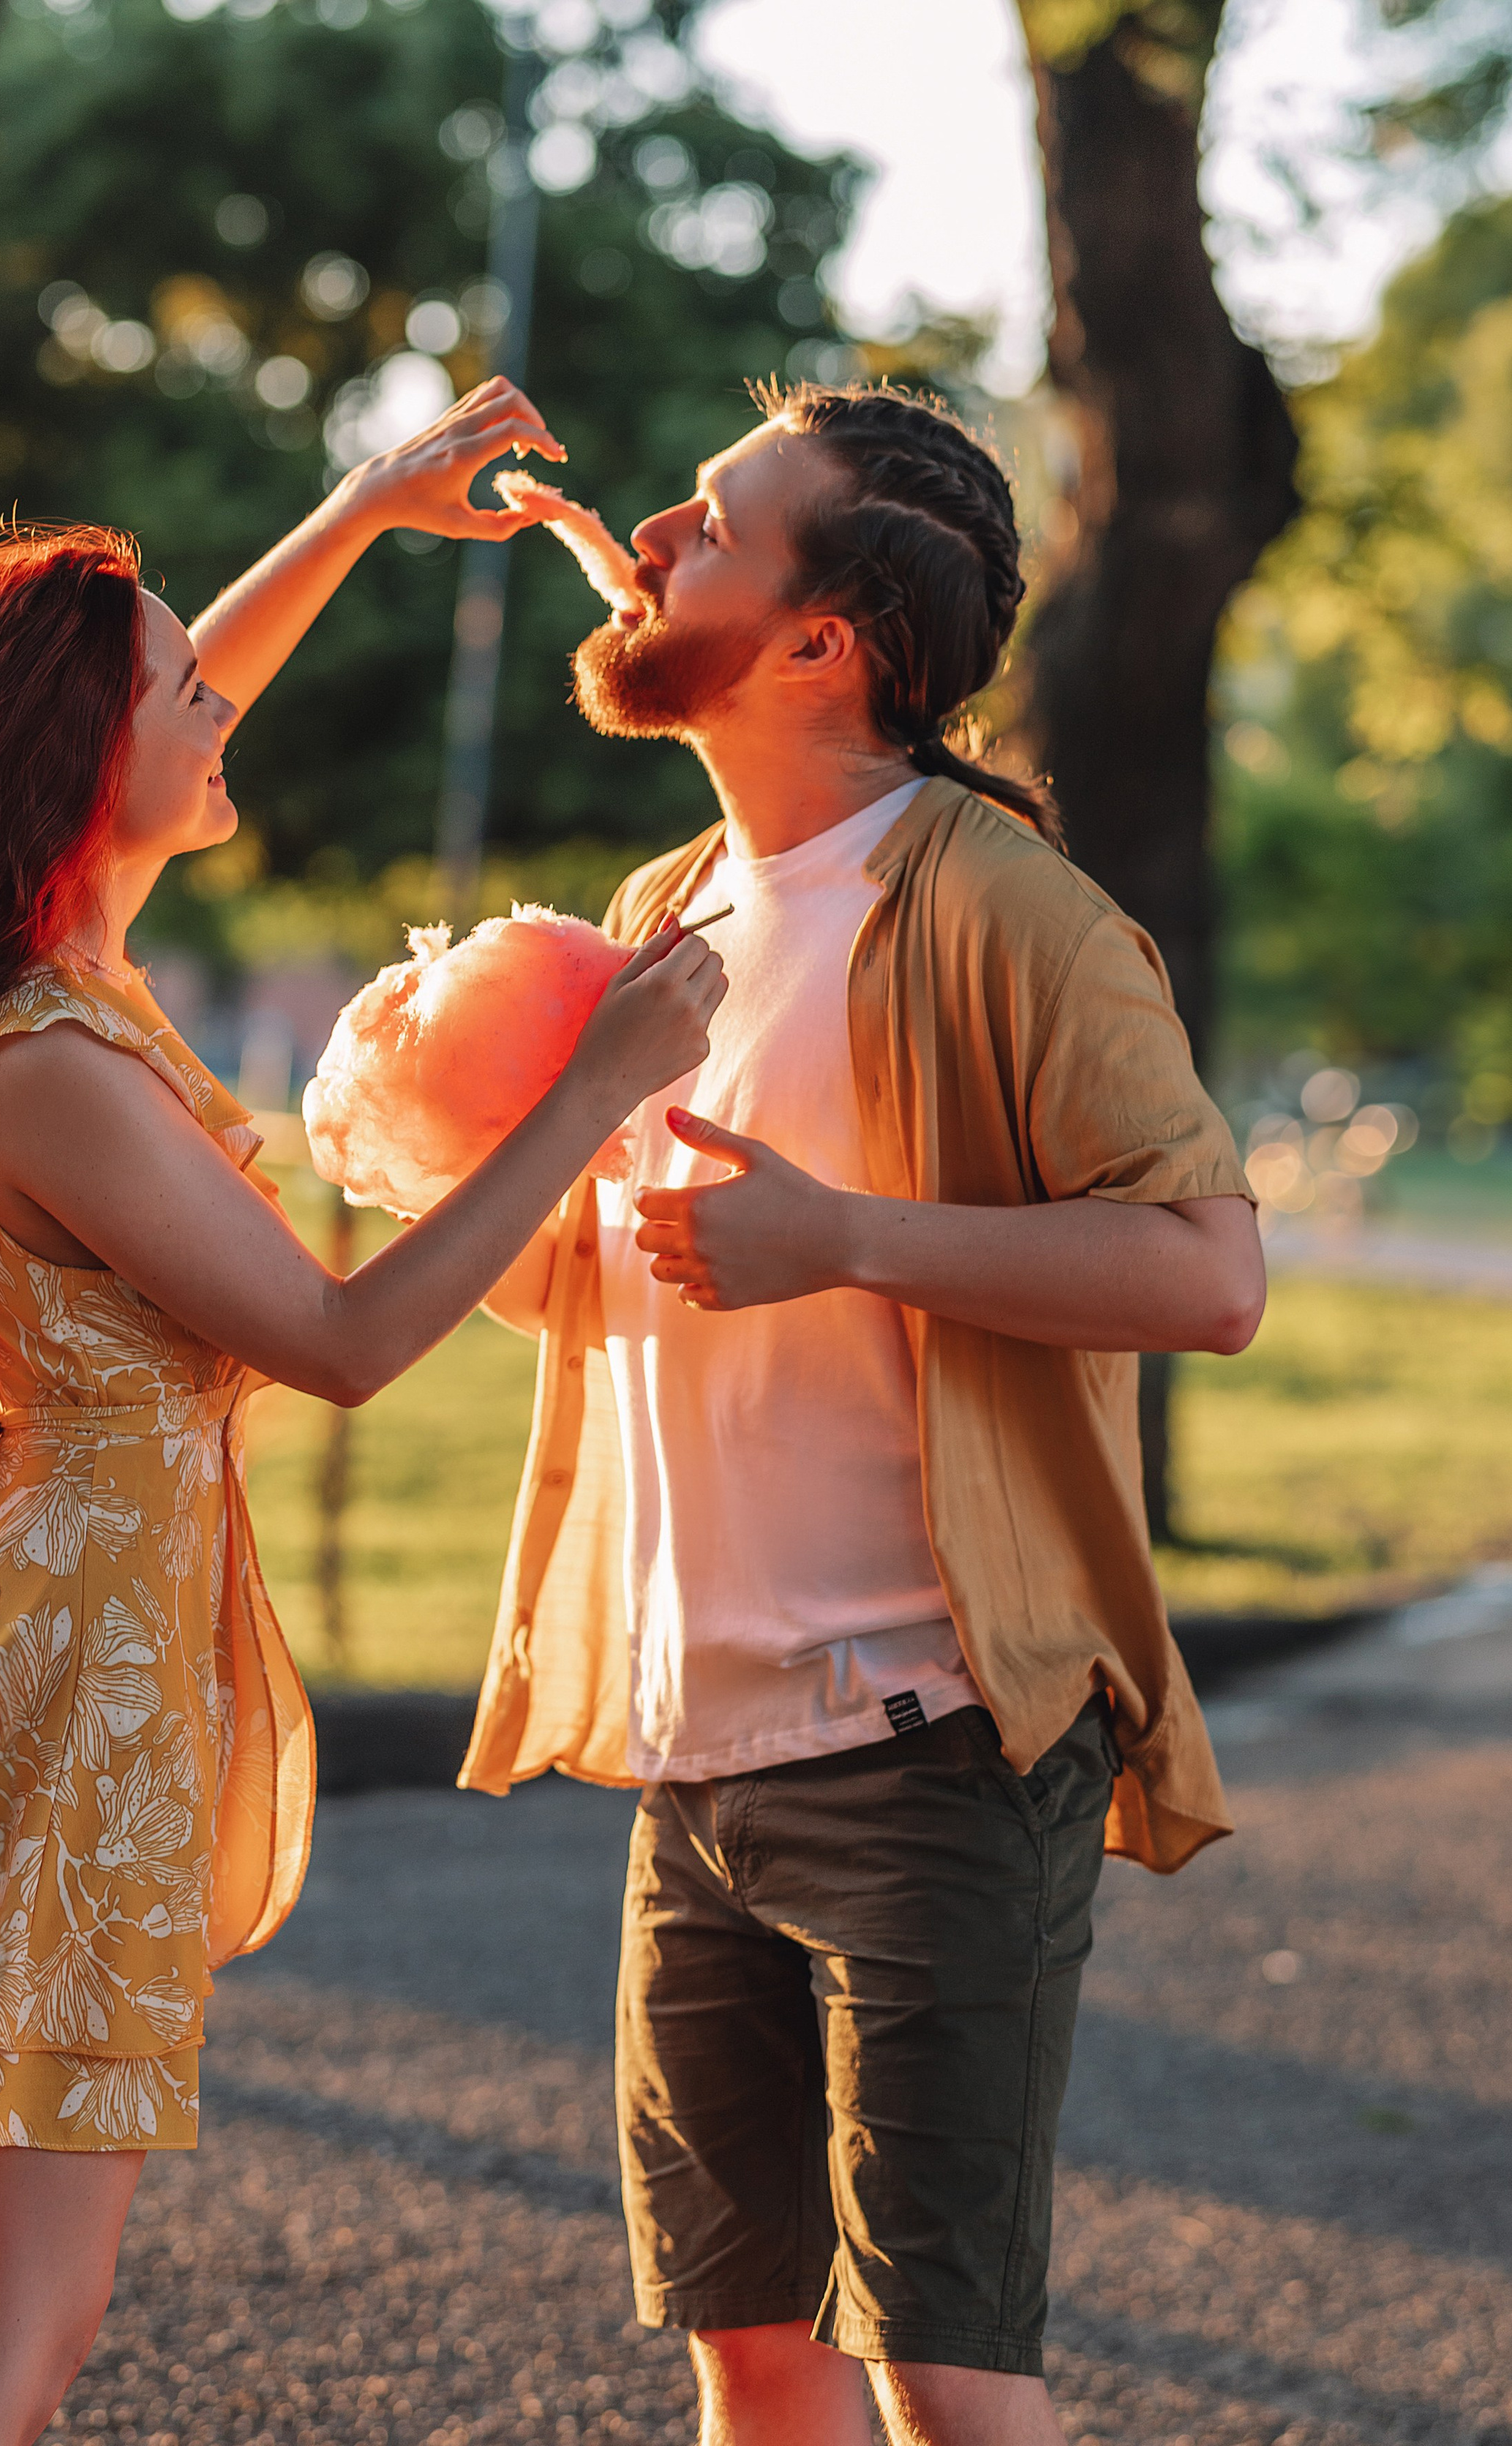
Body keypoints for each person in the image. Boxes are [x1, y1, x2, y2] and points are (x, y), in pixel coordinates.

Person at [0, 380, 725, 2446]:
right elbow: (333, 1340)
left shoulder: (53, 979)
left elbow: (194, 666)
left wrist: (362, 511)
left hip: (30, 1646)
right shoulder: (48, 1061)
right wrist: (589, 1093)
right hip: (76, 1713)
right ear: (76, 759)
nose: (218, 704)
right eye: (176, 694)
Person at [469, 381, 1266, 2446]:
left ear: (826, 643)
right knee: (751, 2351)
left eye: (715, 527)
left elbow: (1209, 1270)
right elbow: (633, 1284)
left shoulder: (1014, 913)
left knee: (949, 2384)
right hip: (696, 1749)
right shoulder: (660, 918)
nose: (650, 532)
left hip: (927, 1738)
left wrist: (851, 1237)